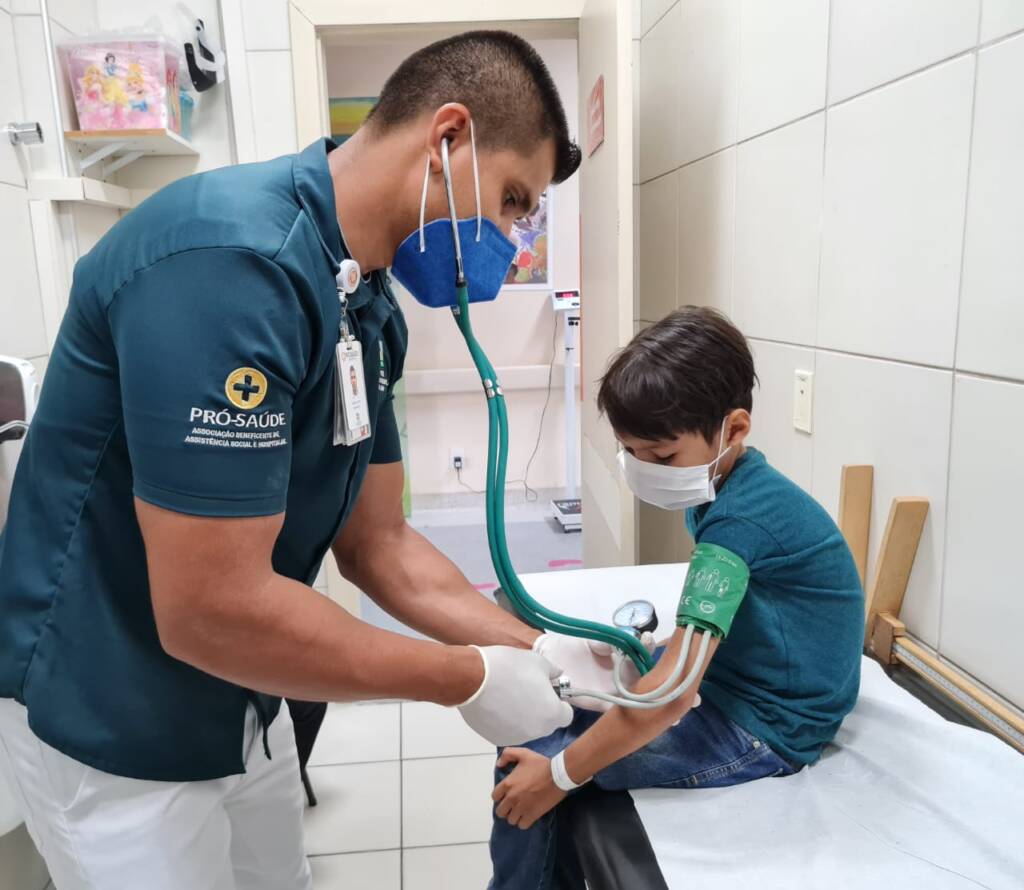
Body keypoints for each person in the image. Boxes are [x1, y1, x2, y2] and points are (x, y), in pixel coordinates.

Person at [0, 31, 623, 890]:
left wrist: (540, 646)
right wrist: (466, 677)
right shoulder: (228, 266)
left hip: (245, 702)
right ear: (447, 140)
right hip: (115, 715)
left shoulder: (367, 305)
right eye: (513, 199)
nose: (513, 236)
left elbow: (380, 543)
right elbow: (211, 608)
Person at [488, 306, 865, 889]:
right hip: (739, 692)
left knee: (532, 758)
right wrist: (657, 649)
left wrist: (559, 776)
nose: (643, 470)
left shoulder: (739, 524)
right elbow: (732, 628)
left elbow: (668, 698)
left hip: (769, 731)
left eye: (660, 458)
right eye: (630, 452)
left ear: (733, 429)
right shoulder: (724, 486)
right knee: (543, 734)